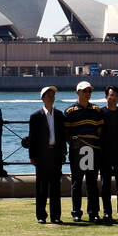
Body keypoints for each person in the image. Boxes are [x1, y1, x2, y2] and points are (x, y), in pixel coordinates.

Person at [64, 80, 104, 222]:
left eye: (89, 91)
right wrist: (76, 144)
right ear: (77, 92)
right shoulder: (70, 111)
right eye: (84, 91)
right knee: (77, 182)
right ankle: (76, 212)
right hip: (78, 151)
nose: (87, 94)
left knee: (92, 182)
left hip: (92, 150)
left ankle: (93, 212)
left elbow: (99, 131)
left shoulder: (96, 111)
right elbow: (66, 133)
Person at [27, 86, 66, 224]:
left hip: (55, 153)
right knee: (42, 187)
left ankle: (56, 216)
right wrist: (32, 156)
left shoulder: (60, 115)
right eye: (48, 95)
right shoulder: (35, 117)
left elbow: (62, 136)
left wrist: (63, 153)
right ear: (42, 98)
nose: (51, 97)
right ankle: (41, 216)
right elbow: (32, 138)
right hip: (41, 155)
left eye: (53, 95)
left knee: (56, 187)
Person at [97, 86, 118, 222]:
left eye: (116, 95)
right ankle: (107, 212)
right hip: (104, 153)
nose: (114, 98)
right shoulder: (100, 112)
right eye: (111, 95)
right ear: (106, 97)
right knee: (105, 185)